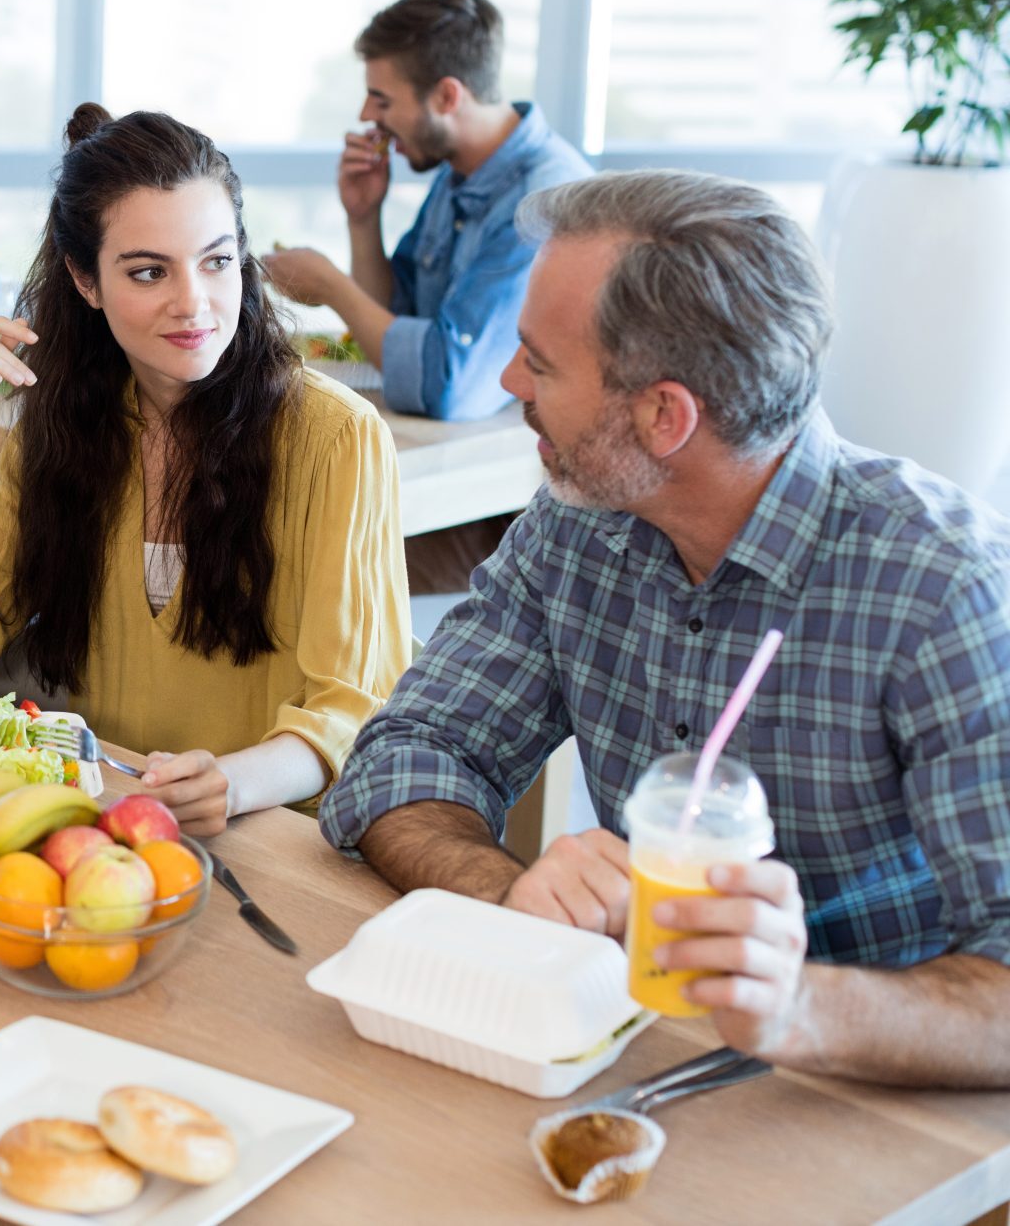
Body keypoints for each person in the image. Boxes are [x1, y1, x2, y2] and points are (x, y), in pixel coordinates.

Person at [321, 169, 1010, 1089]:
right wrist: (509, 890)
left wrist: (800, 1003)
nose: (507, 379)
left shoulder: (946, 593)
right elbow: (405, 754)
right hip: (634, 1060)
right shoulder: (579, 523)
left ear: (663, 416)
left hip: (872, 1107)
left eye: (542, 361)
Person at [0, 104, 412, 835]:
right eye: (148, 271)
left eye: (217, 260)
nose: (194, 303)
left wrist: (228, 783)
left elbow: (354, 709)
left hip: (270, 836)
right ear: (86, 280)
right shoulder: (62, 420)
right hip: (99, 822)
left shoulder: (337, 437)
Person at [265, 0, 591, 593]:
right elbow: (393, 323)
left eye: (381, 98)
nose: (367, 117)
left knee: (303, 558)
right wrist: (365, 219)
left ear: (447, 95)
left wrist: (332, 284)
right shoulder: (459, 177)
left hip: (517, 513)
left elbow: (449, 384)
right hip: (461, 476)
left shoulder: (542, 200)